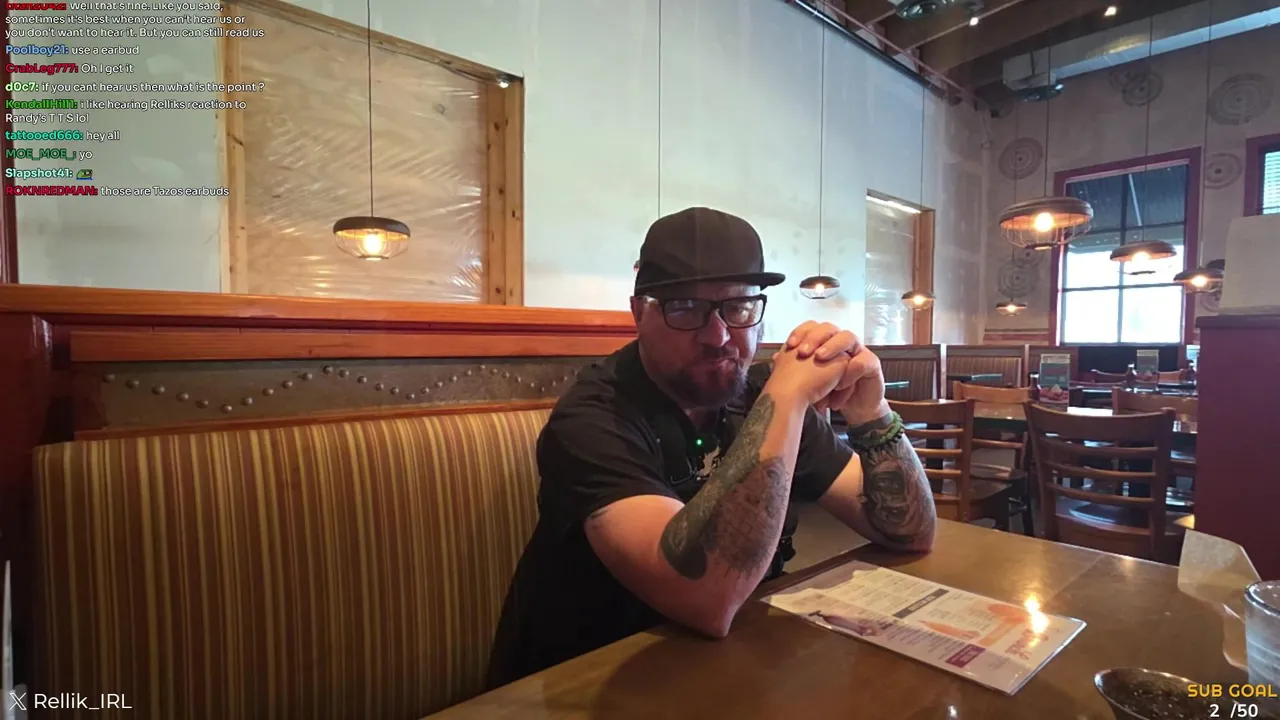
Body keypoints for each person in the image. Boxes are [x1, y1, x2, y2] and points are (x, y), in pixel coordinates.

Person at [486, 207, 936, 687]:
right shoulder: (594, 418)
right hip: (584, 684)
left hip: (732, 670)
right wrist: (787, 397)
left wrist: (872, 412)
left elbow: (910, 532)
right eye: (685, 307)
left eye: (738, 307)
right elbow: (706, 602)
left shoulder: (760, 396)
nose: (718, 335)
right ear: (639, 313)